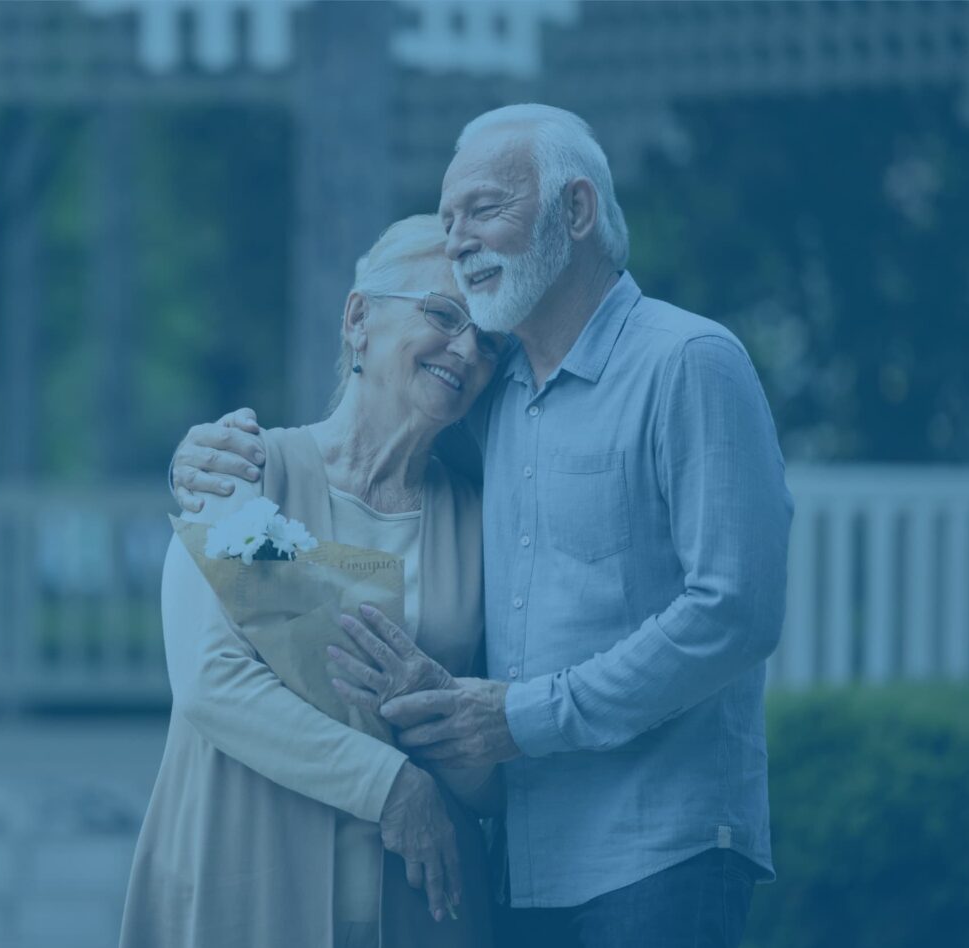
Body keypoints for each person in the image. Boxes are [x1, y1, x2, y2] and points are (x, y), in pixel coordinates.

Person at [172, 104, 794, 948]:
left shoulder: (688, 361)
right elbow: (352, 471)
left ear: (575, 210)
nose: (458, 239)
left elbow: (736, 609)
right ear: (356, 319)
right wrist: (194, 459)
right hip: (516, 870)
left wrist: (521, 719)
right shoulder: (494, 410)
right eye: (448, 220)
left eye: (484, 209)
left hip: (657, 852)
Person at [121, 215, 508, 948]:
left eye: (489, 340)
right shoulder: (244, 469)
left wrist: (439, 717)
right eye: (443, 314)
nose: (467, 349)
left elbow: (497, 771)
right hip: (246, 885)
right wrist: (392, 784)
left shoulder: (483, 523)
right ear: (359, 319)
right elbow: (211, 681)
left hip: (422, 914)